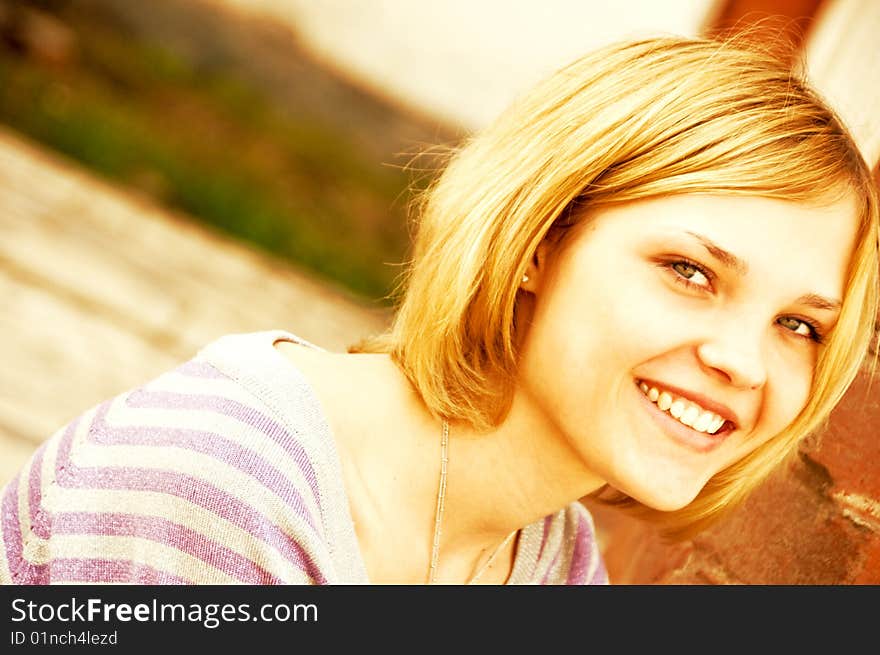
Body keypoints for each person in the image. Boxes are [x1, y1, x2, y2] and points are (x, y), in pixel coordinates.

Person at [2, 33, 878, 586]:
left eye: (801, 325)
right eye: (689, 270)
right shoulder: (217, 491)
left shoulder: (546, 564)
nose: (745, 361)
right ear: (541, 238)